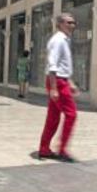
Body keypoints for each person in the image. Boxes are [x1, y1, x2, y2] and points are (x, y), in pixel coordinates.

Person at [38, 13, 78, 162]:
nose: (73, 25)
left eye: (74, 23)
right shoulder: (58, 40)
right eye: (69, 22)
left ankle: (44, 149)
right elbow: (52, 65)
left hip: (62, 80)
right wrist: (54, 88)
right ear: (60, 24)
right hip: (57, 82)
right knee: (71, 115)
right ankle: (62, 150)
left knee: (53, 117)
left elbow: (62, 65)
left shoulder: (65, 40)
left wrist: (70, 82)